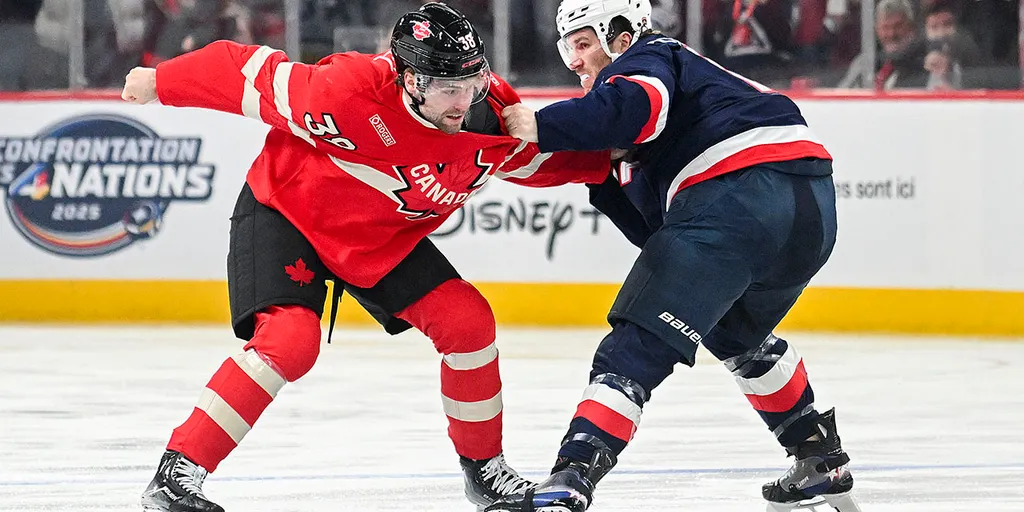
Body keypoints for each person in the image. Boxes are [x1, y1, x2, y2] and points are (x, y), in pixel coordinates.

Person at [121, 4, 612, 511]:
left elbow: (544, 161)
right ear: (411, 80)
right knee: (290, 341)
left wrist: (618, 157)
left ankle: (484, 472)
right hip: (288, 213)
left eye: (473, 82)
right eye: (449, 88)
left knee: (468, 323)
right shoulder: (345, 91)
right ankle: (177, 472)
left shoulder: (493, 119)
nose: (464, 100)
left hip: (379, 241)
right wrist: (162, 81)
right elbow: (246, 73)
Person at [492, 0, 860, 511]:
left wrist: (541, 123)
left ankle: (571, 475)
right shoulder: (682, 97)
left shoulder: (649, 56)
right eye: (566, 48)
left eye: (583, 43)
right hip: (810, 210)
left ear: (621, 37)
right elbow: (651, 226)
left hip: (738, 192)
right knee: (734, 332)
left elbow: (637, 107)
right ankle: (817, 456)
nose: (573, 61)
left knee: (636, 344)